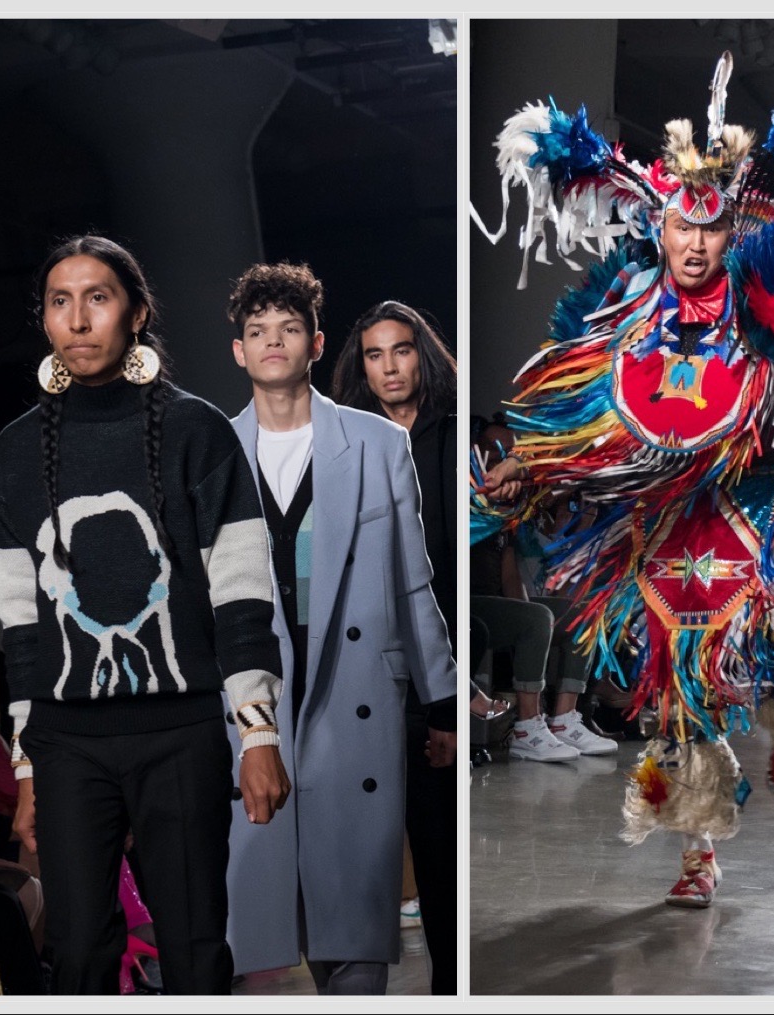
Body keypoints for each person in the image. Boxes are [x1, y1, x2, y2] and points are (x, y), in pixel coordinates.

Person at [475, 53, 774, 908]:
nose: (695, 244)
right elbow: (588, 407)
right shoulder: (629, 304)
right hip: (665, 512)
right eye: (681, 228)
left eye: (711, 229)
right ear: (659, 228)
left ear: (734, 229)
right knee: (678, 682)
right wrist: (527, 463)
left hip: (764, 492)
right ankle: (699, 850)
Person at [0, 235, 289, 995]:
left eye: (98, 297)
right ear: (45, 320)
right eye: (61, 301)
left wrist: (258, 733)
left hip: (179, 733)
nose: (79, 318)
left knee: (192, 945)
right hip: (66, 743)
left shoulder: (197, 432)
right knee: (81, 950)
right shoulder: (14, 454)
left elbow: (243, 592)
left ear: (137, 312)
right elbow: (20, 628)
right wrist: (24, 767)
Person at [223, 262, 456, 994]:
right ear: (238, 350)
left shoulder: (377, 443)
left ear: (317, 342)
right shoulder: (212, 449)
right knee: (255, 910)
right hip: (252, 689)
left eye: (288, 329)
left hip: (355, 687)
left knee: (353, 904)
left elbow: (411, 578)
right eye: (257, 331)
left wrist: (441, 701)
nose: (273, 343)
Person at [329, 299, 466, 994]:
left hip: (438, 660)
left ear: (423, 356)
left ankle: (449, 988)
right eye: (375, 353)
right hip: (366, 662)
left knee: (439, 846)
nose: (389, 366)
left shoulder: (453, 435)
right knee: (362, 845)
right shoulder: (343, 443)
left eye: (402, 350)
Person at [470, 417, 617, 761]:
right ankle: (526, 728)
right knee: (536, 617)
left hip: (496, 605)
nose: (500, 458)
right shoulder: (468, 495)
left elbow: (511, 580)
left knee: (583, 611)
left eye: (510, 452)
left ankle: (564, 720)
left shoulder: (510, 507)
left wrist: (536, 624)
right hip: (465, 604)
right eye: (494, 450)